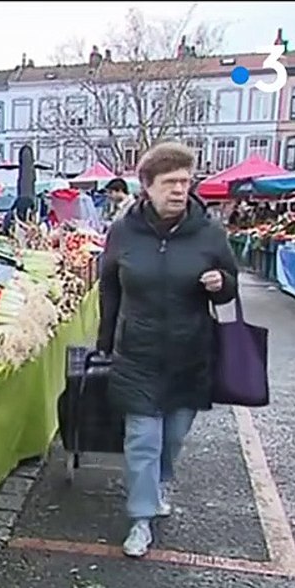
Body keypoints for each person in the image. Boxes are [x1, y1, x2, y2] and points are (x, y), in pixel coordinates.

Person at [96, 142, 239, 558]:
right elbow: (109, 288)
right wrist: (105, 342)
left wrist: (221, 284)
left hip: (189, 353)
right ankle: (140, 519)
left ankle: (160, 482)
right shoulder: (123, 231)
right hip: (136, 353)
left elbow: (230, 285)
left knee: (172, 437)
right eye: (170, 182)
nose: (179, 189)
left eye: (185, 181)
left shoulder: (209, 232)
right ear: (147, 186)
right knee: (142, 438)